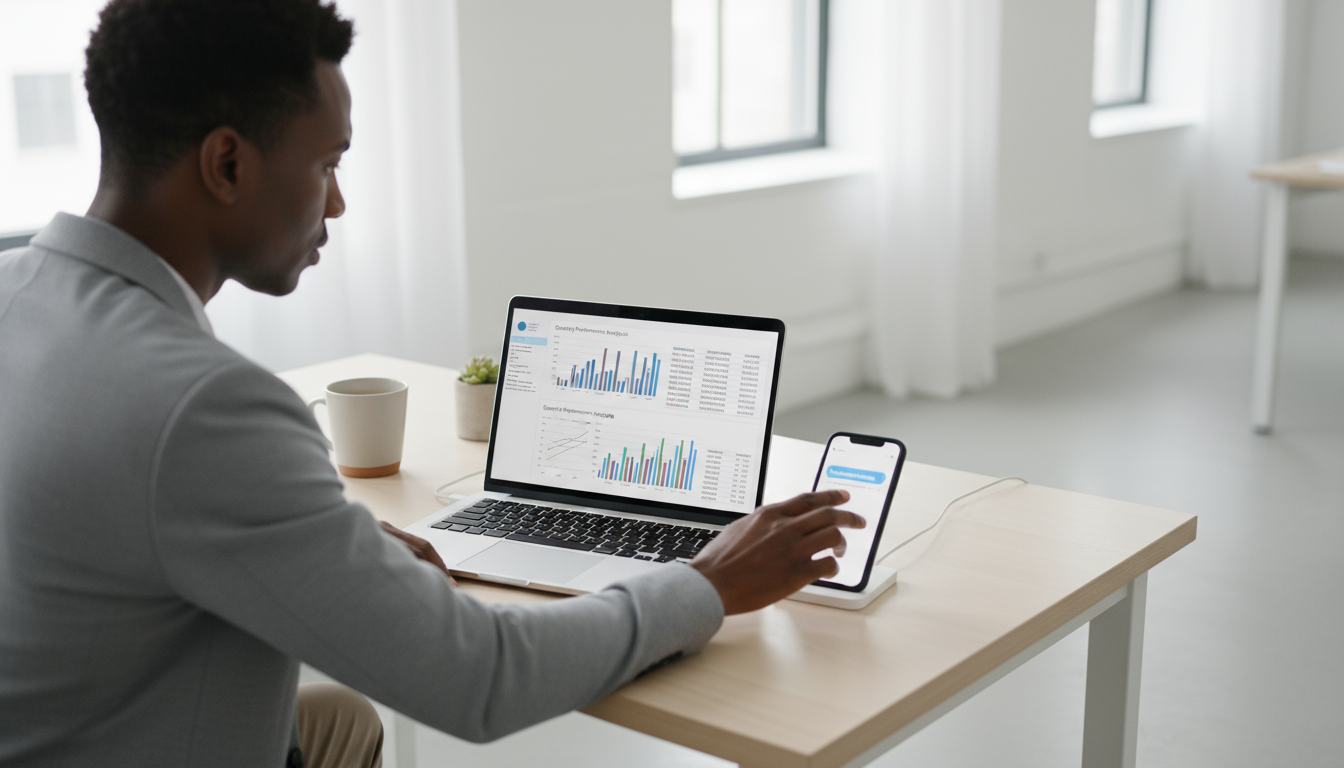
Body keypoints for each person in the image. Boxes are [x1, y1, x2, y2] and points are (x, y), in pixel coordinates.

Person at [0, 1, 863, 766]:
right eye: (327, 163)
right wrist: (707, 583)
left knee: (345, 722)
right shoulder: (203, 407)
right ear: (227, 165)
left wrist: (335, 551)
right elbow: (481, 679)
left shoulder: (17, 295)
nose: (336, 205)